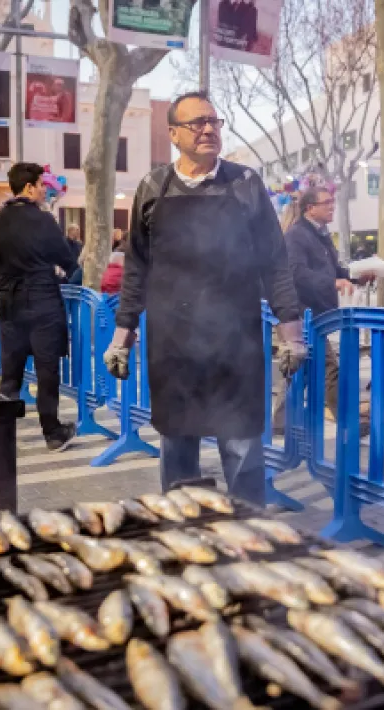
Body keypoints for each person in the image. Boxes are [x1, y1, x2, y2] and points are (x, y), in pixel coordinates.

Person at [103, 91, 306, 505]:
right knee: (177, 442)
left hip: (236, 341)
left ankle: (248, 527)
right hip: (173, 343)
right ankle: (184, 528)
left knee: (242, 444)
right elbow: (137, 268)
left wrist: (292, 336)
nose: (209, 129)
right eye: (197, 123)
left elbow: (275, 264)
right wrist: (121, 337)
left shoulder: (245, 183)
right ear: (173, 133)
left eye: (214, 121)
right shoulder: (153, 187)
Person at [0, 162, 79, 451]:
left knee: (10, 372)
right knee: (47, 371)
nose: (44, 191)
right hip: (42, 302)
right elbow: (66, 259)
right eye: (42, 185)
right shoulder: (44, 220)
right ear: (29, 187)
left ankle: (0, 437)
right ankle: (52, 432)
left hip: (9, 303)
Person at [279, 187, 360, 429]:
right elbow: (296, 273)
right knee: (328, 369)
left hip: (316, 314)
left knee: (302, 369)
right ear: (310, 208)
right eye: (327, 203)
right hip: (303, 313)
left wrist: (354, 277)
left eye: (333, 202)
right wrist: (333, 283)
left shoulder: (321, 235)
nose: (332, 206)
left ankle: (280, 419)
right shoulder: (296, 235)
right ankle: (348, 424)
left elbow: (333, 270)